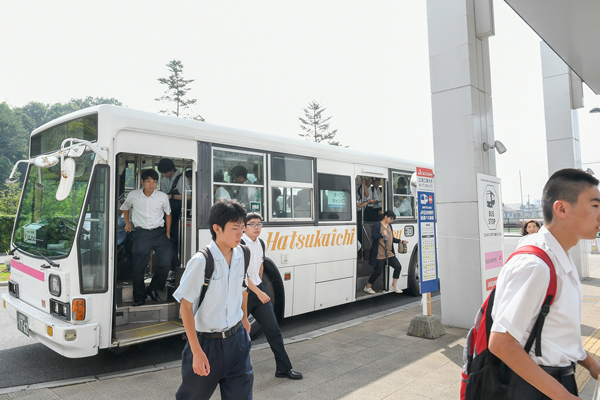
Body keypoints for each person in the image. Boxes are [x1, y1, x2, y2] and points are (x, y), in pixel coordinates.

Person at [489, 168, 600, 399]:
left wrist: (590, 363)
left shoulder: (560, 256)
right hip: (536, 386)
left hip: (556, 381)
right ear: (561, 208)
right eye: (595, 205)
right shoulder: (535, 265)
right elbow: (501, 342)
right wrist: (564, 396)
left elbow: (556, 329)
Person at [173, 199, 253, 400]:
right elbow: (185, 307)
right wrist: (197, 352)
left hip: (237, 342)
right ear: (217, 228)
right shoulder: (202, 261)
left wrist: (244, 317)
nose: (240, 234)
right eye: (235, 228)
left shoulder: (243, 253)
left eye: (242, 228)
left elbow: (243, 287)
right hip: (206, 345)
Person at [242, 212, 302, 380]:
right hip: (243, 295)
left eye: (259, 224)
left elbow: (260, 265)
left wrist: (260, 284)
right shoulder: (239, 245)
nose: (257, 227)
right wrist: (258, 290)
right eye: (252, 224)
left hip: (257, 291)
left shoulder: (260, 243)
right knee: (236, 335)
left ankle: (283, 369)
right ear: (244, 227)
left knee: (273, 331)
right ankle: (228, 373)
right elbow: (240, 276)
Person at [120, 169, 172, 306]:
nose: (151, 185)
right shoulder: (133, 195)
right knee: (138, 267)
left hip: (159, 233)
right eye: (148, 181)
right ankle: (139, 297)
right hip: (141, 233)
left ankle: (153, 288)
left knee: (167, 261)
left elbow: (168, 213)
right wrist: (127, 223)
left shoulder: (162, 197)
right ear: (142, 182)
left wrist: (167, 232)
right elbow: (125, 207)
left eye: (154, 182)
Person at [158, 158, 191, 273]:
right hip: (168, 212)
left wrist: (171, 196)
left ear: (172, 170)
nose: (163, 175)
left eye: (165, 172)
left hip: (179, 214)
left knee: (175, 241)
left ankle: (176, 267)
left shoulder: (182, 178)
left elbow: (188, 196)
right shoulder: (164, 179)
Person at [364, 210, 408, 294]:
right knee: (378, 271)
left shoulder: (389, 226)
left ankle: (394, 285)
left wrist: (400, 241)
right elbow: (373, 236)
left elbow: (392, 238)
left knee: (398, 266)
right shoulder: (377, 225)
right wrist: (382, 234)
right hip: (379, 253)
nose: (391, 220)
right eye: (391, 218)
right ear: (386, 217)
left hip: (389, 253)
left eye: (392, 219)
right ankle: (368, 286)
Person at [356, 177, 374, 247]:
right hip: (358, 211)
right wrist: (368, 201)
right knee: (359, 229)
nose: (369, 181)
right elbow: (360, 205)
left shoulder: (366, 188)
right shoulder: (360, 188)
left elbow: (367, 195)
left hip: (363, 210)